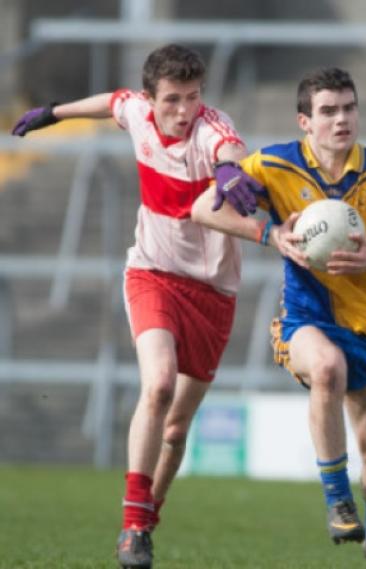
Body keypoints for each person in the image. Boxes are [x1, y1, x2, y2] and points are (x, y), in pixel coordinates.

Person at [11, 44, 262, 569]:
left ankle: (147, 517)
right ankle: (131, 527)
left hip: (213, 291)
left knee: (176, 428)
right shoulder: (138, 113)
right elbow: (110, 101)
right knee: (159, 385)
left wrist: (231, 174)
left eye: (193, 97)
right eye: (172, 99)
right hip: (151, 273)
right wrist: (52, 113)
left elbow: (229, 151)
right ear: (151, 99)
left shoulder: (212, 129)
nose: (183, 110)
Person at [191, 66, 366, 568]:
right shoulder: (274, 165)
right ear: (304, 121)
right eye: (328, 111)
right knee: (327, 368)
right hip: (307, 317)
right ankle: (336, 499)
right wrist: (269, 235)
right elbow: (203, 208)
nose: (342, 119)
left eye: (349, 108)